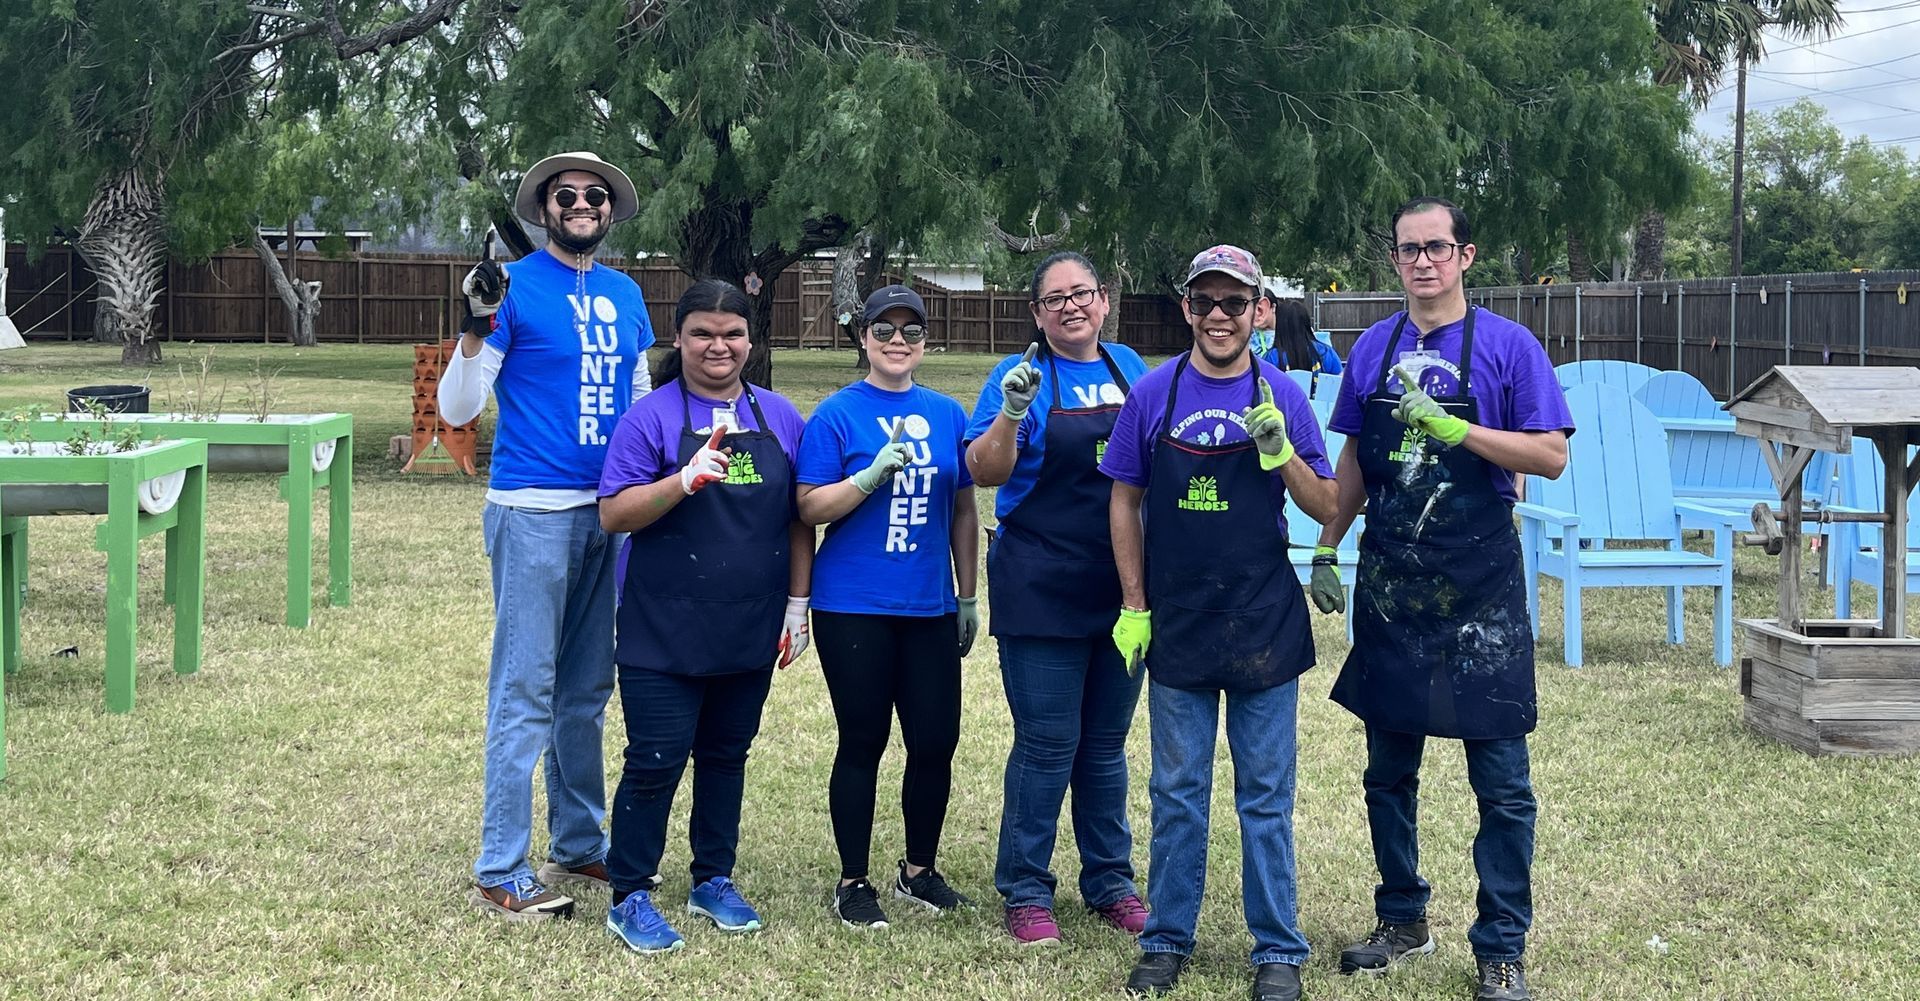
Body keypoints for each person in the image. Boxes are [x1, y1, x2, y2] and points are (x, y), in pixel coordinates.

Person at [1311, 197, 1572, 1001]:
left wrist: (1464, 434)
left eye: (1437, 247)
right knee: (1387, 772)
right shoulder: (1371, 348)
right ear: (1394, 261)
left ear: (1465, 255)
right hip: (1391, 585)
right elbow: (1355, 456)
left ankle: (1500, 946)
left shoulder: (1509, 346)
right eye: (1408, 250)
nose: (1423, 261)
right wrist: (1327, 541)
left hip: (1482, 592)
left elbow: (1550, 455)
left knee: (1501, 782)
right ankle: (1402, 918)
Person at [1101, 245, 1337, 1001]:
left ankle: (1278, 948)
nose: (1219, 316)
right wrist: (1135, 604)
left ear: (1258, 309)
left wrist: (1281, 456)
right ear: (1187, 311)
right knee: (1176, 790)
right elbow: (1124, 499)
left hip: (1264, 617)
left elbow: (1327, 505)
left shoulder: (1284, 396)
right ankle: (1167, 938)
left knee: (1264, 795)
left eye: (1235, 303)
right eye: (1205, 302)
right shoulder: (1153, 393)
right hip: (1179, 619)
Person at [440, 150, 654, 921]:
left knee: (588, 688)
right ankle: (501, 863)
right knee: (524, 687)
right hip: (532, 508)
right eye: (566, 194)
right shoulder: (513, 288)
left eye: (596, 194)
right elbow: (460, 408)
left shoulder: (630, 296)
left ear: (609, 208)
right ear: (543, 206)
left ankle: (578, 840)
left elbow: (639, 406)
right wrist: (472, 327)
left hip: (609, 512)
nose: (582, 203)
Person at [595, 279, 812, 952]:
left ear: (751, 340)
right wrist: (682, 480)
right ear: (680, 339)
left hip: (750, 621)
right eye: (702, 333)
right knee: (655, 759)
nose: (718, 346)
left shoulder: (780, 417)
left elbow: (801, 517)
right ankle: (629, 891)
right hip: (662, 624)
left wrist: (797, 607)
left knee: (726, 755)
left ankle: (712, 877)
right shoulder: (651, 418)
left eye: (731, 333)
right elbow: (613, 513)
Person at [964, 252, 1151, 946]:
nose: (1072, 306)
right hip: (1041, 581)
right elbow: (985, 470)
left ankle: (1109, 881)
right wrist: (1012, 413)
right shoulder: (1020, 377)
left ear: (1104, 301)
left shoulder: (1131, 367)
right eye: (1055, 299)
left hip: (1122, 585)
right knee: (1046, 744)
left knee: (1105, 746)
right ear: (1037, 314)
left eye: (1083, 293)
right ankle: (1025, 886)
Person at [796, 284, 982, 929]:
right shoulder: (835, 415)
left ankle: (919, 870)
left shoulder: (948, 413)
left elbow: (963, 507)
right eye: (885, 329)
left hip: (928, 605)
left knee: (935, 740)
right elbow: (809, 507)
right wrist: (868, 477)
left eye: (911, 330)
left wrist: (967, 594)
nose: (898, 341)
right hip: (854, 603)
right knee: (863, 740)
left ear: (926, 340)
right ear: (863, 337)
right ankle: (853, 880)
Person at [1256, 294, 1343, 385]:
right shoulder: (1326, 352)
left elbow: (1262, 389)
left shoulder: (1271, 358)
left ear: (1280, 325)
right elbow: (1341, 383)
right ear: (1306, 323)